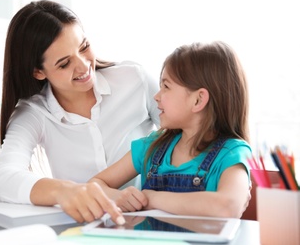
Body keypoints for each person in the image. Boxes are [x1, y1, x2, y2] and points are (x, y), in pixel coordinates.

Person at [0, 0, 160, 225]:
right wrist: (66, 191)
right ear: (38, 72)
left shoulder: (134, 79)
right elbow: (1, 180)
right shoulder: (34, 113)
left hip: (154, 219)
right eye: (64, 63)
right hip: (84, 229)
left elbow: (188, 133)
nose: (83, 66)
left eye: (84, 47)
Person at [89, 41, 252, 218]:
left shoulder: (232, 153)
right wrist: (120, 196)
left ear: (198, 100)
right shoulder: (151, 147)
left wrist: (151, 199)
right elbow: (94, 185)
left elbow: (228, 207)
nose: (156, 96)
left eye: (166, 86)